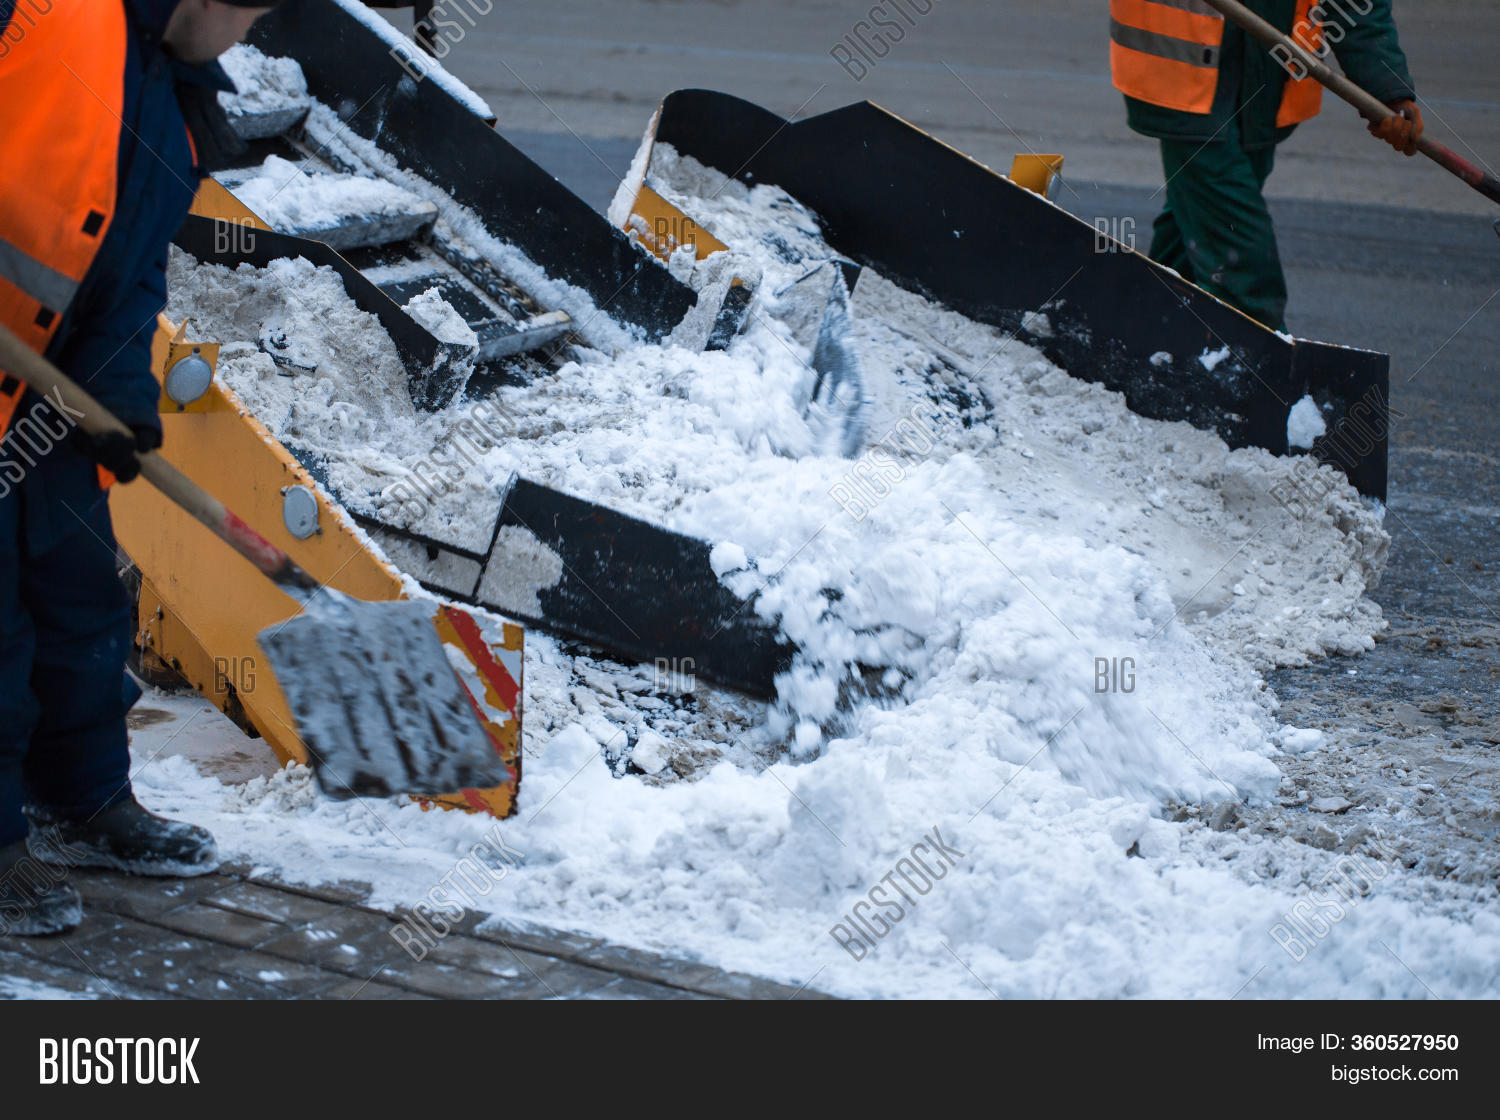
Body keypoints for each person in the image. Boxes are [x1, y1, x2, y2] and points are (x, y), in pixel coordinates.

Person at [0, 0, 282, 938]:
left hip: (39, 389)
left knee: (79, 593)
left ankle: (81, 801)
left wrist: (119, 403)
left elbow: (131, 276)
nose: (252, 33)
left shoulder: (170, 92)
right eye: (251, 10)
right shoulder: (40, 19)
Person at [1110, 0, 1422, 331]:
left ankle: (1149, 331)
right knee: (1240, 256)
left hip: (1265, 75)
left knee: (1195, 229)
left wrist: (1386, 88)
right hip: (1179, 66)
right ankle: (1260, 361)